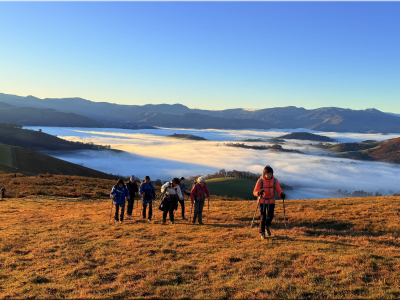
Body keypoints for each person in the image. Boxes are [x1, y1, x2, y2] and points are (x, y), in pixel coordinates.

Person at [253, 165, 286, 239]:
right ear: (264, 174)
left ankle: (267, 226)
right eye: (268, 173)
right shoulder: (260, 181)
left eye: (271, 173)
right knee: (263, 217)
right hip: (262, 201)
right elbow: (255, 192)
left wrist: (281, 194)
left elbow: (278, 189)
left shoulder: (275, 181)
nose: (269, 175)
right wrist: (259, 192)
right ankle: (262, 233)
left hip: (271, 201)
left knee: (270, 216)